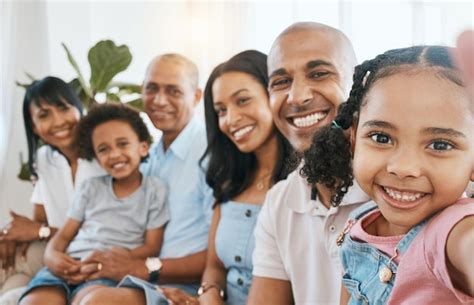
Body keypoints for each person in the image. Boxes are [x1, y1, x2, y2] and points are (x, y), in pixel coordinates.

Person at [303, 45, 474, 304]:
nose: (403, 167)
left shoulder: (453, 229)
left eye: (440, 145)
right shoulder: (359, 223)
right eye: (381, 137)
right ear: (354, 140)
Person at [247, 22, 370, 305]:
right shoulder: (281, 200)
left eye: (318, 73)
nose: (297, 96)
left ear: (358, 85)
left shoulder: (395, 189)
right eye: (281, 81)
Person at [76, 53, 214, 305]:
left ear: (195, 97)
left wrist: (145, 266)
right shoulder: (147, 157)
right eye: (152, 89)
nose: (160, 100)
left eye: (173, 91)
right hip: (145, 278)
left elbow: (221, 253)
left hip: (188, 284)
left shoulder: (211, 154)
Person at [161, 50, 296, 305]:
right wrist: (210, 294)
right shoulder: (230, 181)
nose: (231, 119)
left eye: (243, 100)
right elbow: (214, 266)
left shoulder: (301, 187)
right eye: (221, 110)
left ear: (273, 96)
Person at [19, 103, 170, 305]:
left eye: (123, 144)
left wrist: (115, 259)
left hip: (106, 273)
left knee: (89, 302)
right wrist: (52, 256)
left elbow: (152, 246)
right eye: (103, 149)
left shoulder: (154, 190)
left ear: (143, 147)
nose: (114, 154)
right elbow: (64, 234)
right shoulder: (90, 188)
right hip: (68, 267)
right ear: (97, 158)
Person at [0, 77, 105, 304]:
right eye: (44, 115)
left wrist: (41, 232)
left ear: (79, 108)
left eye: (63, 108)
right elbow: (39, 222)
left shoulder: (105, 156)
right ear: (35, 128)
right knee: (9, 290)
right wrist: (12, 236)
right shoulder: (44, 159)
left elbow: (103, 236)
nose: (58, 121)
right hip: (54, 252)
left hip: (86, 255)